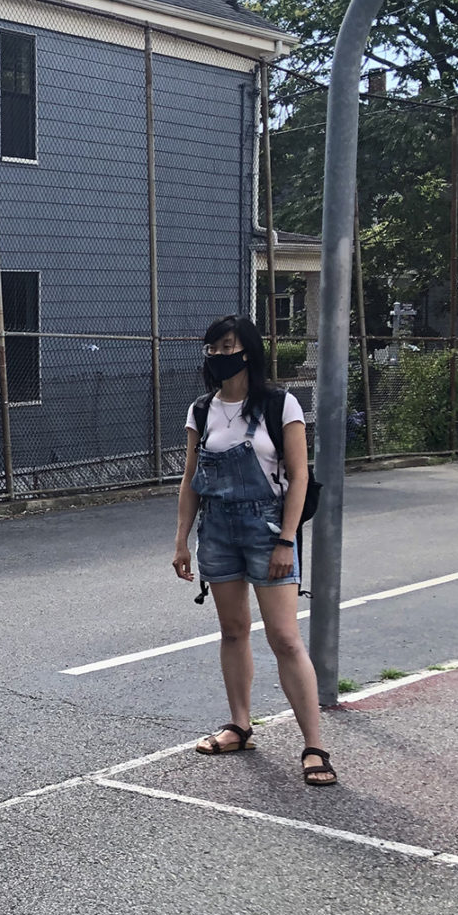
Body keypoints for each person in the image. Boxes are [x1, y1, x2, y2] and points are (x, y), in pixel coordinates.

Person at [172, 315, 335, 786]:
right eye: (214, 348)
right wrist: (182, 538)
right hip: (217, 529)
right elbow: (190, 479)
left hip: (267, 528)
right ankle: (240, 725)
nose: (221, 355)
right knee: (233, 630)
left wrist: (286, 538)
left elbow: (299, 476)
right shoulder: (200, 411)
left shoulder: (279, 404)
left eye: (229, 346)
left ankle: (314, 746)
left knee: (284, 637)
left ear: (248, 350)